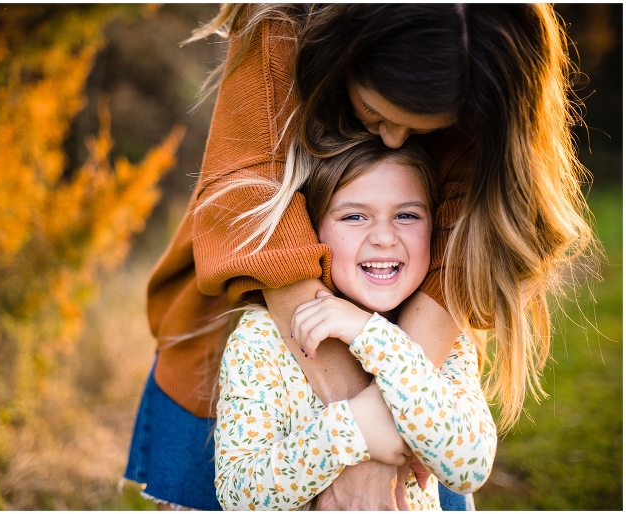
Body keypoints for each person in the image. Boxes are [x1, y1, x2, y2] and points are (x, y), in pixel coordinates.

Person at [124, 4, 593, 510]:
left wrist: (380, 389)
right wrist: (363, 434)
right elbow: (253, 198)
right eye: (378, 113)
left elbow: (469, 461)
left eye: (427, 128)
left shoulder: (442, 360)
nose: (390, 139)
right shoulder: (283, 21)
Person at [214, 137, 497, 510]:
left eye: (407, 215)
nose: (383, 237)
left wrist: (369, 334)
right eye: (354, 216)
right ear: (312, 233)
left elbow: (470, 465)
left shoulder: (444, 337)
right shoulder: (261, 340)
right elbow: (239, 494)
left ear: (436, 229)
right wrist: (351, 431)